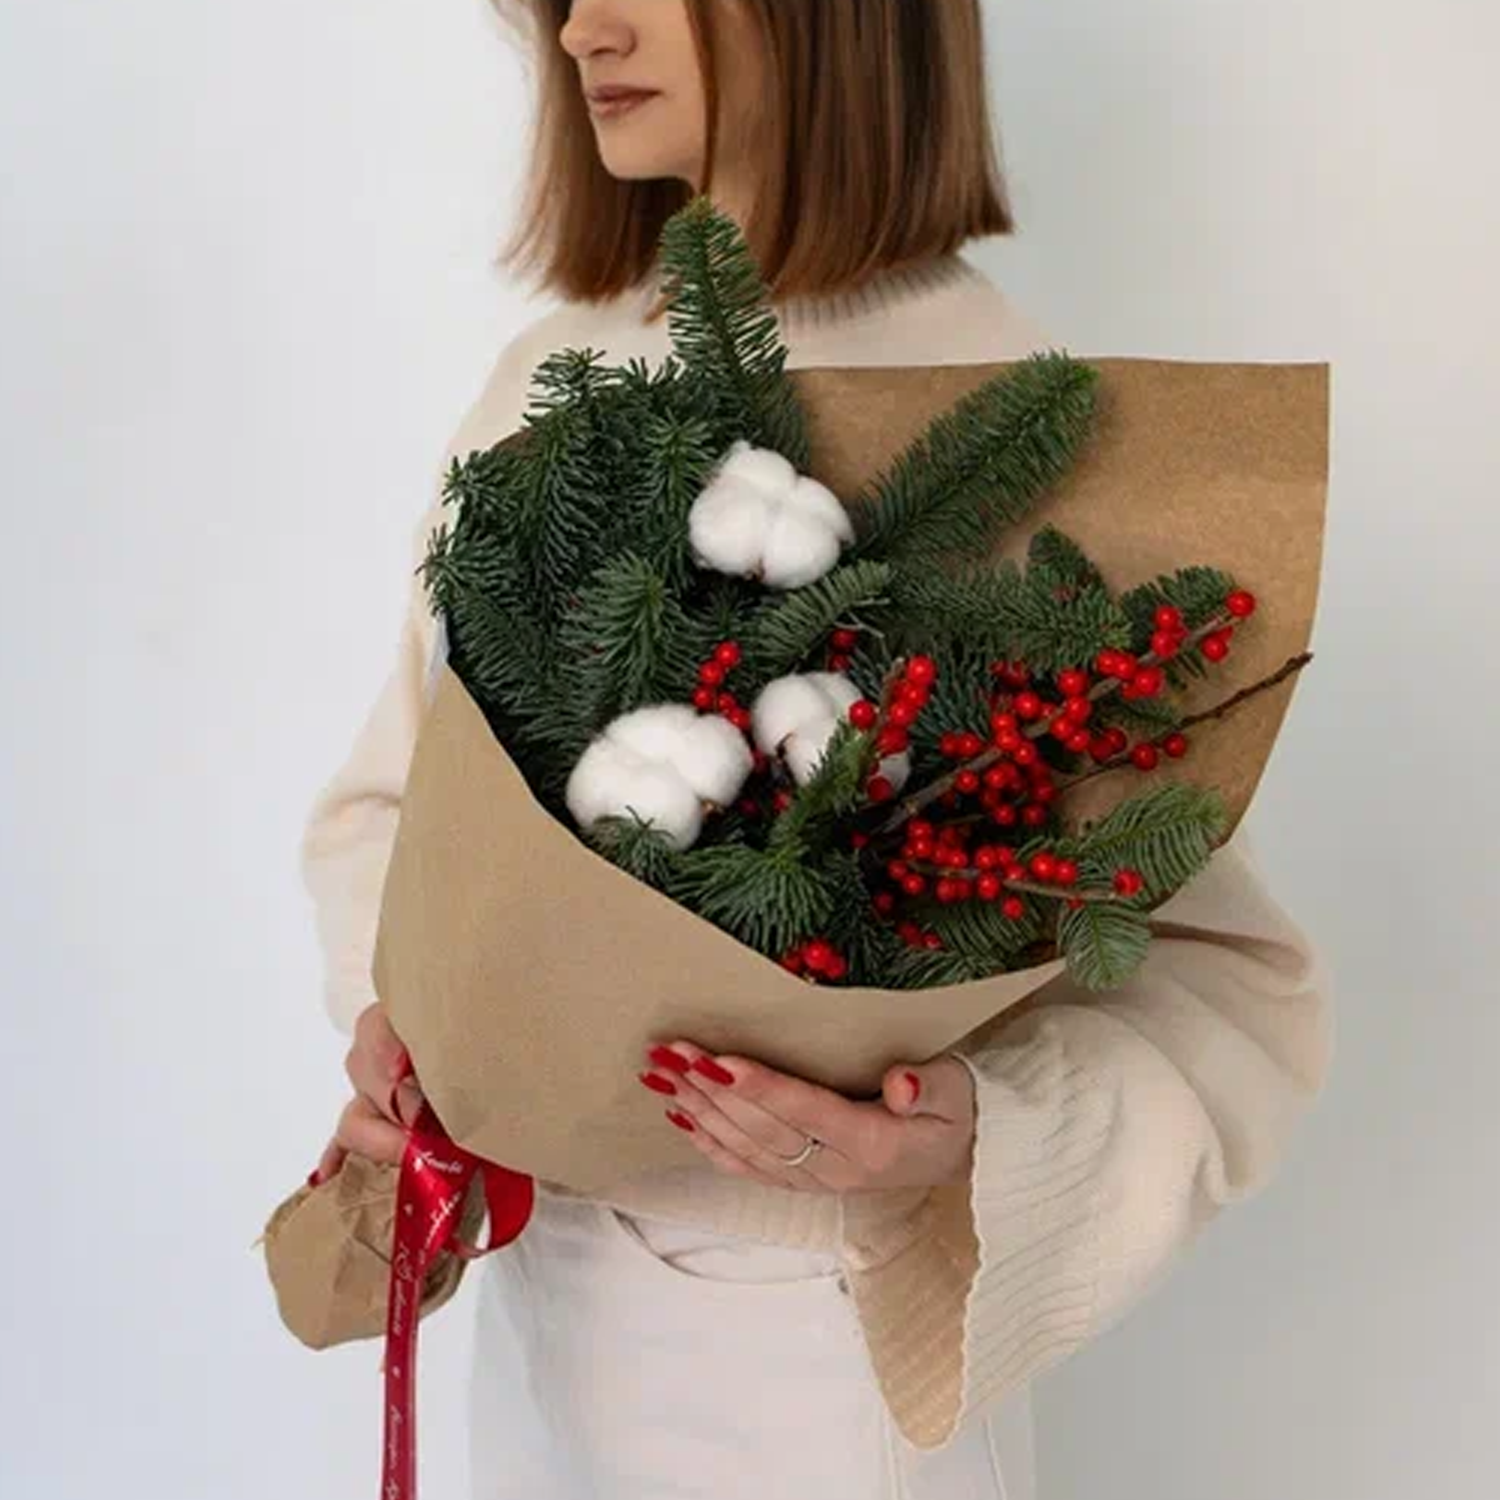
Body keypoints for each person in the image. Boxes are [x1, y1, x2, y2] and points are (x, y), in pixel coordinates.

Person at [298, 3, 1333, 1496]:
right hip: (543, 1318)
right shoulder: (549, 378)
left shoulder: (1026, 422)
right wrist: (408, 1028)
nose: (584, 28)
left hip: (825, 1358)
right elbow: (394, 804)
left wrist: (962, 1134)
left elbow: (1214, 975)